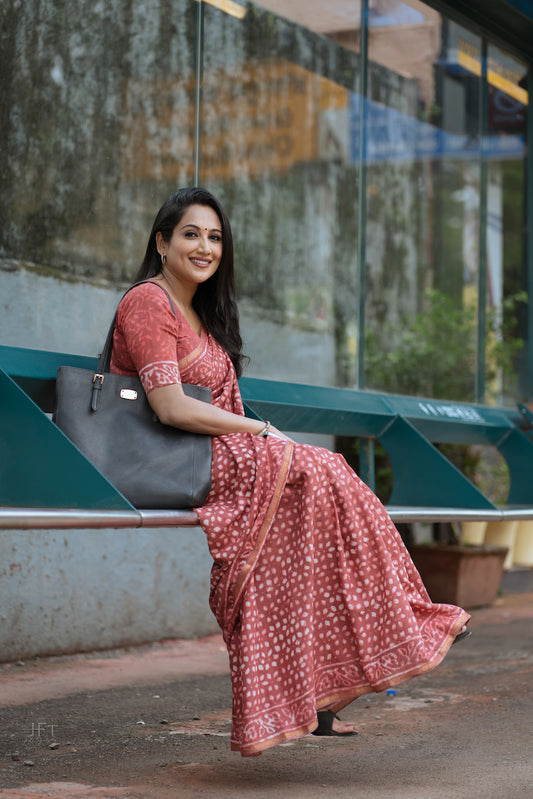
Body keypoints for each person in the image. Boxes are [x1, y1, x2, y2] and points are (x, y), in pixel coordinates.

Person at [110, 187, 471, 757]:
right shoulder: (147, 303)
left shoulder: (200, 315)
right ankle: (404, 619)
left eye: (215, 237)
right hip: (171, 457)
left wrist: (256, 435)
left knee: (323, 493)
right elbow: (170, 407)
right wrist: (259, 431)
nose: (205, 247)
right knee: (321, 470)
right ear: (161, 241)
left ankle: (331, 677)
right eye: (191, 234)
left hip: (212, 455)